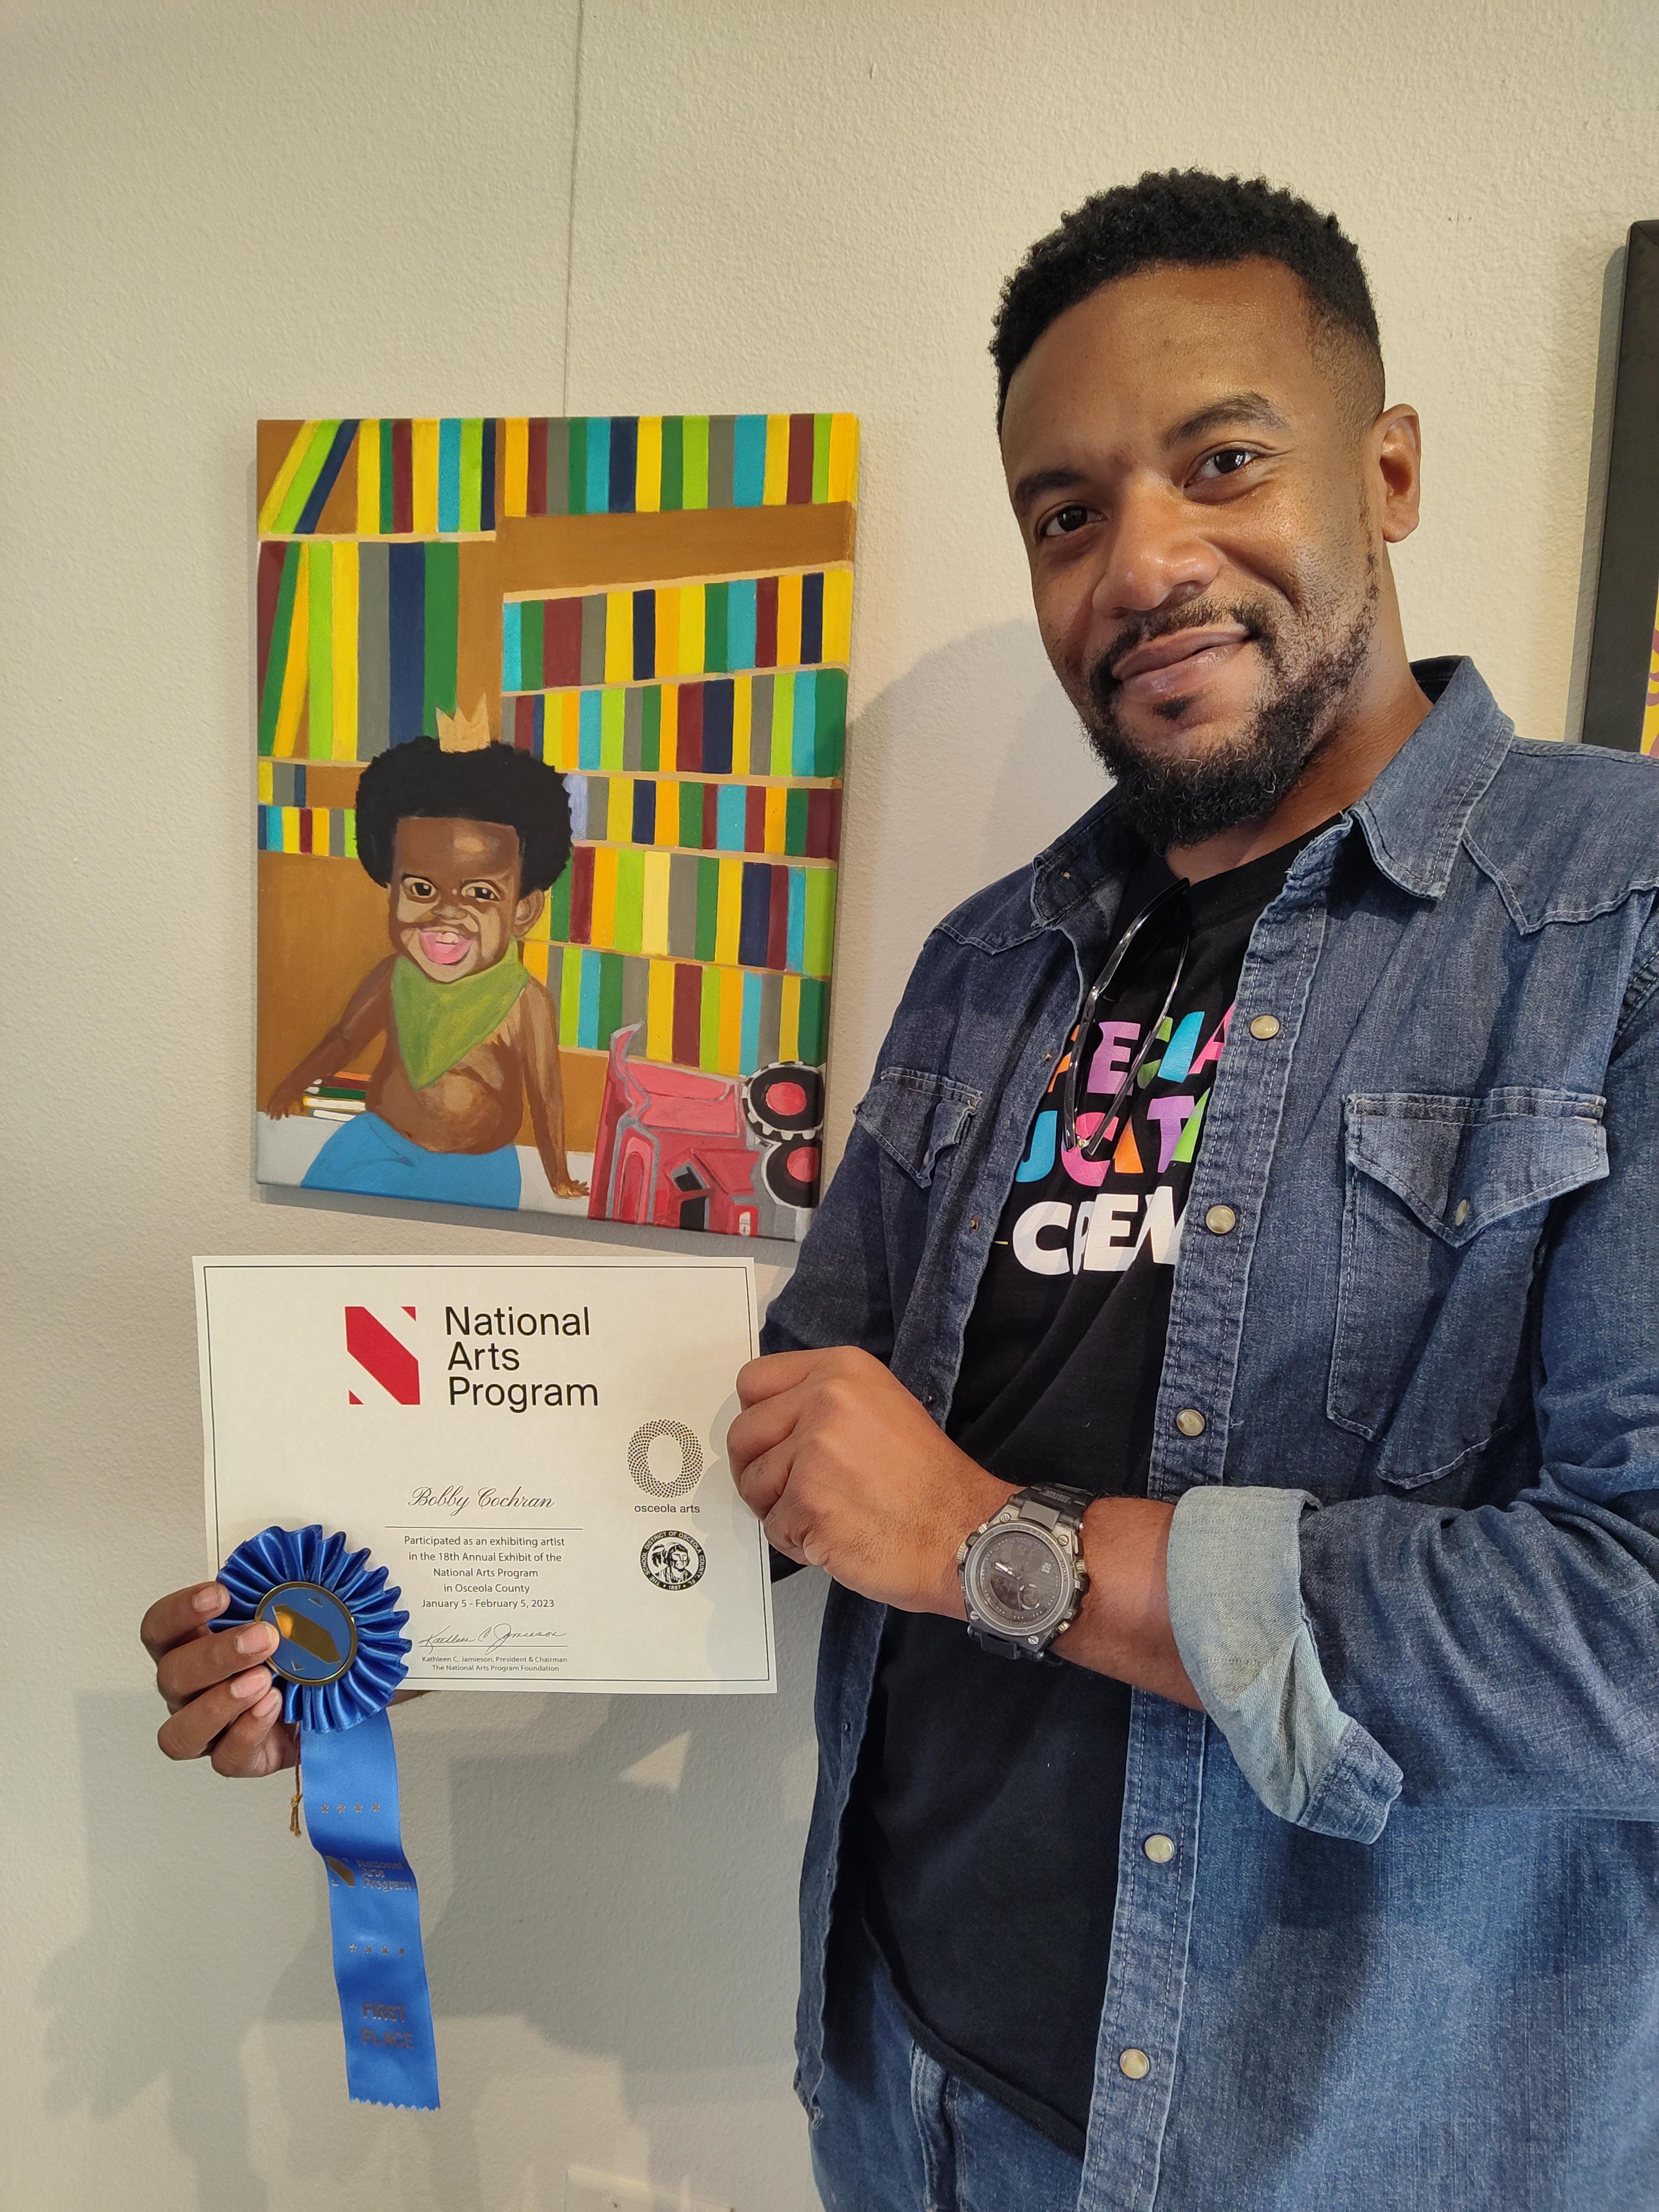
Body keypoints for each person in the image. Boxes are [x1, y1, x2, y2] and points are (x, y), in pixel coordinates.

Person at [143, 171, 1659, 2210]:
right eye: (1062, 510)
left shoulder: (1613, 915)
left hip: (1338, 2145)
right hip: (911, 2089)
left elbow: (1629, 1628)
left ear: (1381, 470)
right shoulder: (996, 959)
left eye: (1221, 460)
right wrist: (370, 1604)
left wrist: (993, 1548)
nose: (1140, 561)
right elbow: (790, 1425)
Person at [264, 702, 586, 1208]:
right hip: (375, 1146)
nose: (447, 914)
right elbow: (346, 1039)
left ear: (523, 909)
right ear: (391, 889)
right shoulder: (395, 976)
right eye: (421, 887)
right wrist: (293, 1084)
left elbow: (546, 1098)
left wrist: (559, 1176)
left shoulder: (525, 1003)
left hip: (477, 1172)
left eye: (480, 894)